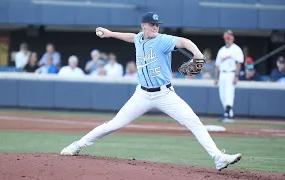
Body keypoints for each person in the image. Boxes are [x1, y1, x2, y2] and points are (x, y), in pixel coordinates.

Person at [60, 12, 241, 171]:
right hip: (142, 94)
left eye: (157, 24)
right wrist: (110, 34)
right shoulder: (139, 38)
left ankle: (218, 157)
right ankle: (77, 145)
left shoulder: (163, 40)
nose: (155, 27)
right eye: (152, 24)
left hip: (165, 94)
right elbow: (131, 37)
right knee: (114, 124)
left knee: (193, 121)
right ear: (143, 26)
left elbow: (184, 41)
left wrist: (198, 54)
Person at [214, 30, 244, 123]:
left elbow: (239, 63)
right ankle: (228, 115)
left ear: (232, 39)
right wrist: (216, 77)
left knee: (229, 94)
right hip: (222, 74)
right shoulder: (222, 50)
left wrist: (236, 76)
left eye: (229, 38)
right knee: (222, 95)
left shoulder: (236, 49)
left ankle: (227, 114)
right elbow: (217, 65)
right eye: (226, 38)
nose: (227, 40)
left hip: (231, 73)